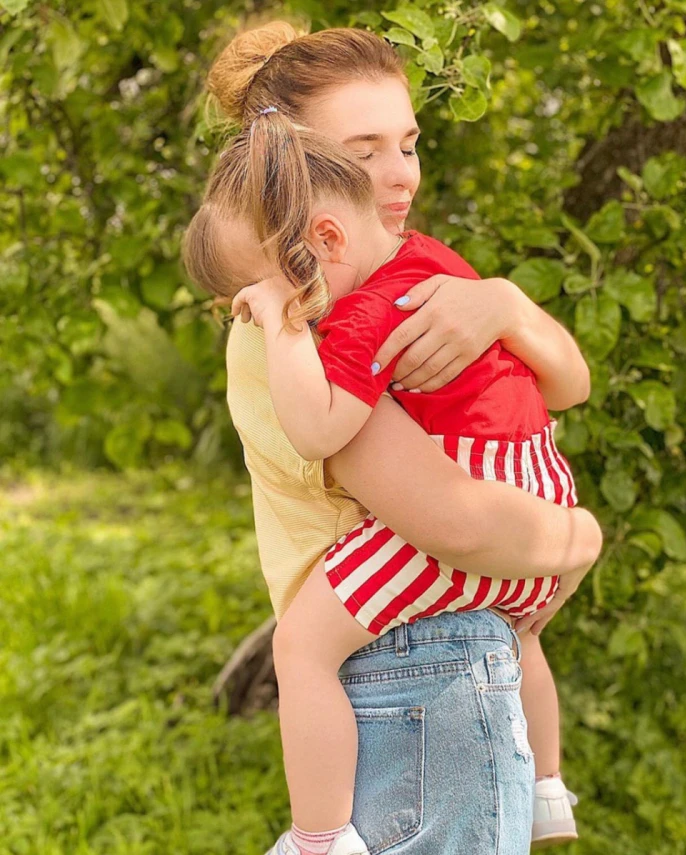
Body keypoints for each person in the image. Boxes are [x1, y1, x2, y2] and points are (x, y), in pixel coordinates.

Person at [190, 21, 602, 855]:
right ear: (301, 170)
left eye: (408, 143)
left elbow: (570, 381)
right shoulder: (317, 324)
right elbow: (453, 521)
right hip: (423, 662)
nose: (400, 174)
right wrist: (577, 533)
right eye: (366, 148)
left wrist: (507, 304)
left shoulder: (398, 275)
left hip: (412, 655)